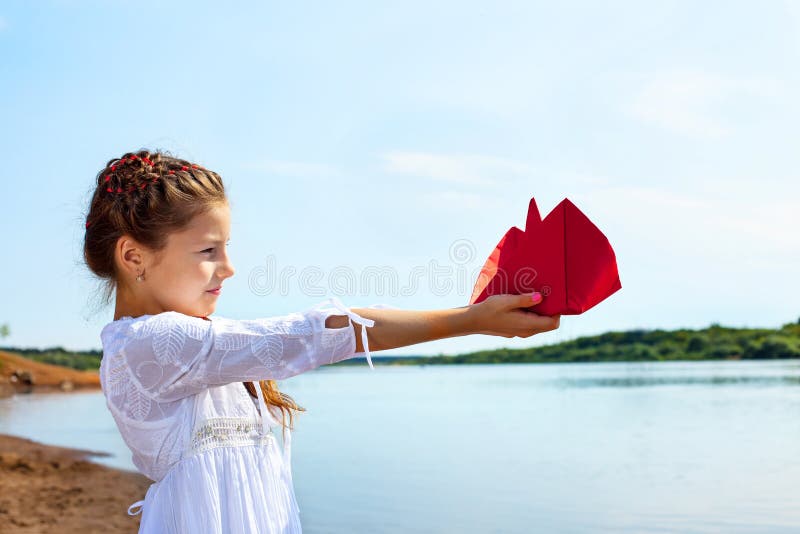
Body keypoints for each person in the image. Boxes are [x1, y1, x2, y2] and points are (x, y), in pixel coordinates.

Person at [83, 149, 561, 533]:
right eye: (209, 251)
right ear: (133, 256)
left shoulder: (192, 347)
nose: (228, 268)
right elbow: (311, 334)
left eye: (227, 248)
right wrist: (469, 320)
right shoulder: (147, 345)